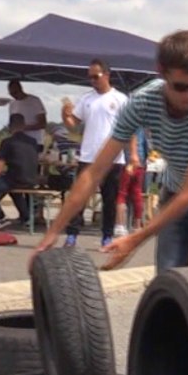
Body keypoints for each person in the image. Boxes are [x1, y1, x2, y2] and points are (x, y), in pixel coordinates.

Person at [29, 29, 188, 274]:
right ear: (161, 72)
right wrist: (52, 233)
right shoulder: (143, 102)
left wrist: (134, 240)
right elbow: (94, 173)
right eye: (180, 87)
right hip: (176, 188)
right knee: (168, 279)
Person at [61, 59, 129, 247]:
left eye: (96, 76)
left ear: (106, 75)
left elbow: (130, 128)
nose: (92, 80)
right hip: (89, 156)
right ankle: (72, 234)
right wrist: (65, 114)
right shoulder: (87, 99)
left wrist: (134, 157)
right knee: (80, 196)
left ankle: (107, 235)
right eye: (90, 77)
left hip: (113, 157)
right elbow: (73, 125)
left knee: (109, 199)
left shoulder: (120, 99)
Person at [0, 114, 41, 230]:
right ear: (24, 125)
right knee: (14, 191)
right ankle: (26, 217)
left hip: (14, 178)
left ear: (10, 126)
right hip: (32, 178)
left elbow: (0, 165)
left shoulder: (7, 142)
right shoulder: (33, 142)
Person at [114, 126, 151, 236]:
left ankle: (120, 225)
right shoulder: (142, 128)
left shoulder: (125, 125)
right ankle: (137, 225)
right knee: (137, 194)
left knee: (121, 194)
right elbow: (146, 146)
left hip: (126, 162)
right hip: (140, 163)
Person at [7, 79, 47, 145]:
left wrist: (24, 128)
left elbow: (43, 124)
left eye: (15, 92)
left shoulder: (35, 101)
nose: (13, 96)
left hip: (35, 141)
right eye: (11, 94)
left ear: (21, 89)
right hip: (19, 142)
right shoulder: (12, 104)